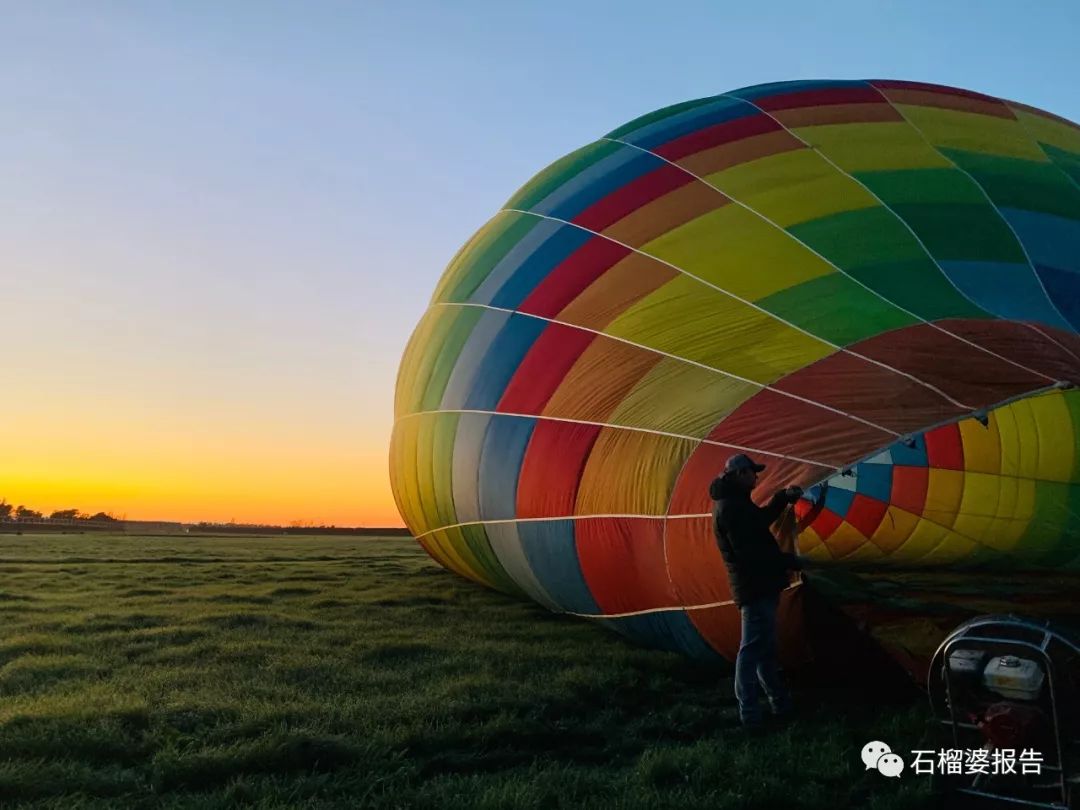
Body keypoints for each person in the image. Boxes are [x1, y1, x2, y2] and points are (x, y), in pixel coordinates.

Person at [710, 453, 804, 729]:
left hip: (759, 584)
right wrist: (789, 561)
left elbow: (759, 522)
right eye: (753, 472)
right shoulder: (730, 508)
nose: (757, 476)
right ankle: (749, 713)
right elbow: (750, 553)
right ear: (740, 474)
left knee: (764, 649)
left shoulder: (736, 503)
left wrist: (782, 498)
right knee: (752, 650)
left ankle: (779, 703)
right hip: (754, 587)